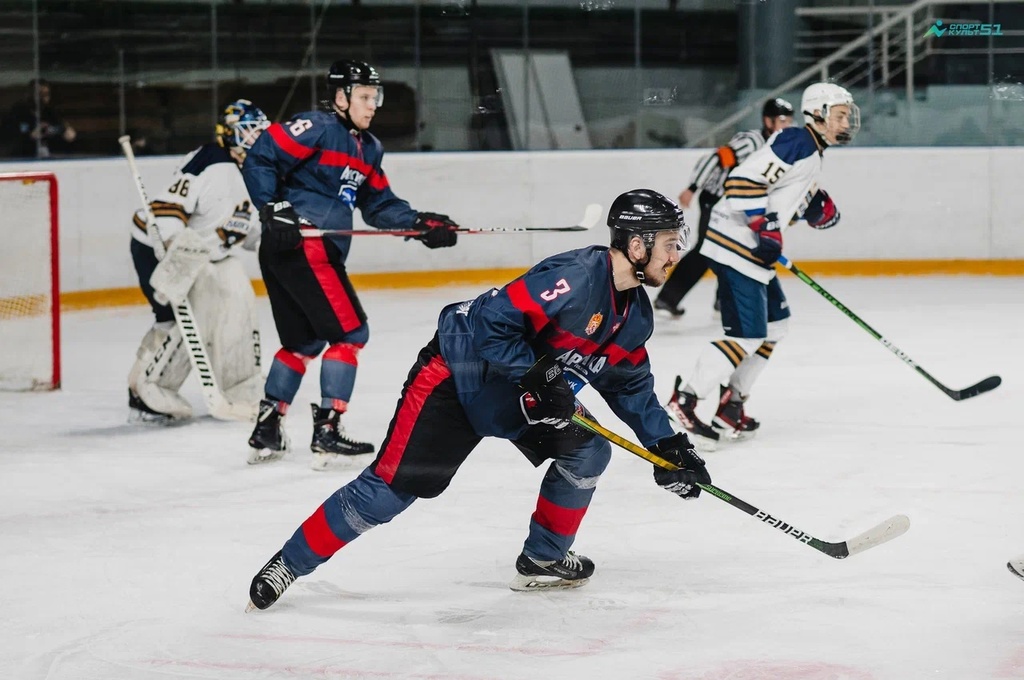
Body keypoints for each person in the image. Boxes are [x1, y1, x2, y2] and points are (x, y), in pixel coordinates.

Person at [244, 189, 713, 611]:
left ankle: (543, 559)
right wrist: (539, 373)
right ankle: (289, 562)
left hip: (523, 395)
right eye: (671, 242)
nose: (677, 254)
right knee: (387, 494)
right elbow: (492, 322)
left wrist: (668, 446)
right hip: (458, 376)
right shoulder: (575, 278)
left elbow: (630, 387)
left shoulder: (634, 316)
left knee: (588, 449)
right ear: (637, 246)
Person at [242, 59, 461, 471]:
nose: (372, 104)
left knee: (303, 343)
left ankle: (268, 427)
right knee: (351, 332)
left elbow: (379, 205)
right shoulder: (319, 128)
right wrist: (272, 205)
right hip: (304, 244)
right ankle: (327, 429)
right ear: (340, 97)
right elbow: (262, 153)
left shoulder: (369, 148)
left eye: (374, 96)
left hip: (291, 250)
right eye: (363, 96)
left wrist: (419, 223)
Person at [664, 83, 856, 451]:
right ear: (818, 113)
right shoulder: (797, 140)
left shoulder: (811, 150)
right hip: (735, 245)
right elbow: (742, 181)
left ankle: (730, 406)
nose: (847, 121)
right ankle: (684, 401)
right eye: (841, 114)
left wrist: (808, 209)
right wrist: (764, 227)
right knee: (747, 335)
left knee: (775, 327)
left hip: (750, 251)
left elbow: (776, 196)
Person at [128, 99, 270, 423]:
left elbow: (245, 229)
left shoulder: (255, 172)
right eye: (251, 132)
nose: (258, 140)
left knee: (235, 303)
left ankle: (241, 388)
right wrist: (174, 255)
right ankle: (145, 390)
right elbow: (168, 209)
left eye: (262, 133)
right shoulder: (211, 160)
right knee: (178, 320)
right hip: (157, 247)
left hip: (207, 255)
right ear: (230, 133)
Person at [655, 97, 794, 321]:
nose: (787, 126)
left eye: (789, 121)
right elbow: (715, 158)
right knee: (706, 250)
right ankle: (668, 298)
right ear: (768, 121)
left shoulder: (776, 148)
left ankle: (723, 300)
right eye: (782, 121)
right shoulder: (751, 142)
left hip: (736, 205)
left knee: (735, 248)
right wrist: (692, 187)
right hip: (715, 198)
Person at [0, 78, 77, 158]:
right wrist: (30, 136)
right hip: (21, 157)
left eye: (46, 95)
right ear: (29, 94)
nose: (43, 98)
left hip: (49, 156)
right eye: (39, 94)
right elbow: (8, 139)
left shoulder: (49, 112)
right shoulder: (17, 113)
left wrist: (65, 130)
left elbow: (65, 131)